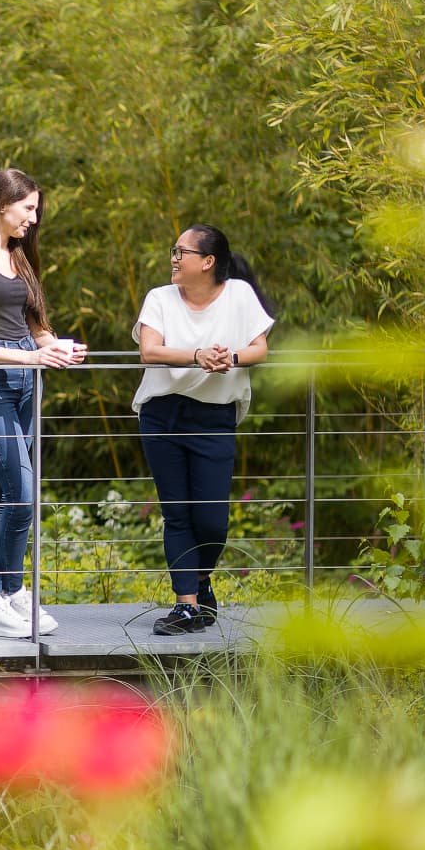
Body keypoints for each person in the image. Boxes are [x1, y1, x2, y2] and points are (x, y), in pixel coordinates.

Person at [0, 168, 86, 638]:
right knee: (21, 493)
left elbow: (33, 323)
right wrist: (29, 354)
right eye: (28, 208)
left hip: (28, 383)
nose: (34, 218)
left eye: (36, 210)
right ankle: (10, 589)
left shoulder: (19, 256)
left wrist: (55, 345)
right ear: (3, 203)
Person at [132, 225, 276, 635]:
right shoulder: (159, 298)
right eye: (173, 250)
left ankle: (199, 582)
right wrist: (197, 356)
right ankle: (187, 606)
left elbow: (259, 348)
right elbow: (149, 351)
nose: (174, 258)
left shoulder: (239, 295)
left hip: (214, 417)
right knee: (177, 513)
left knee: (212, 520)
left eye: (181, 251)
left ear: (208, 261)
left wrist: (226, 357)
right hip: (163, 415)